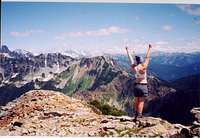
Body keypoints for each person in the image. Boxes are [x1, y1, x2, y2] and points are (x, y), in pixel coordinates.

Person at [125, 44, 152, 121]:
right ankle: (140, 115)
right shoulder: (144, 67)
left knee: (136, 100)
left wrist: (127, 50)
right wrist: (149, 48)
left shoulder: (135, 67)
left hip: (136, 85)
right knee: (141, 101)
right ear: (141, 60)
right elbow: (147, 58)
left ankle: (136, 114)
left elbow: (130, 59)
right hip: (143, 85)